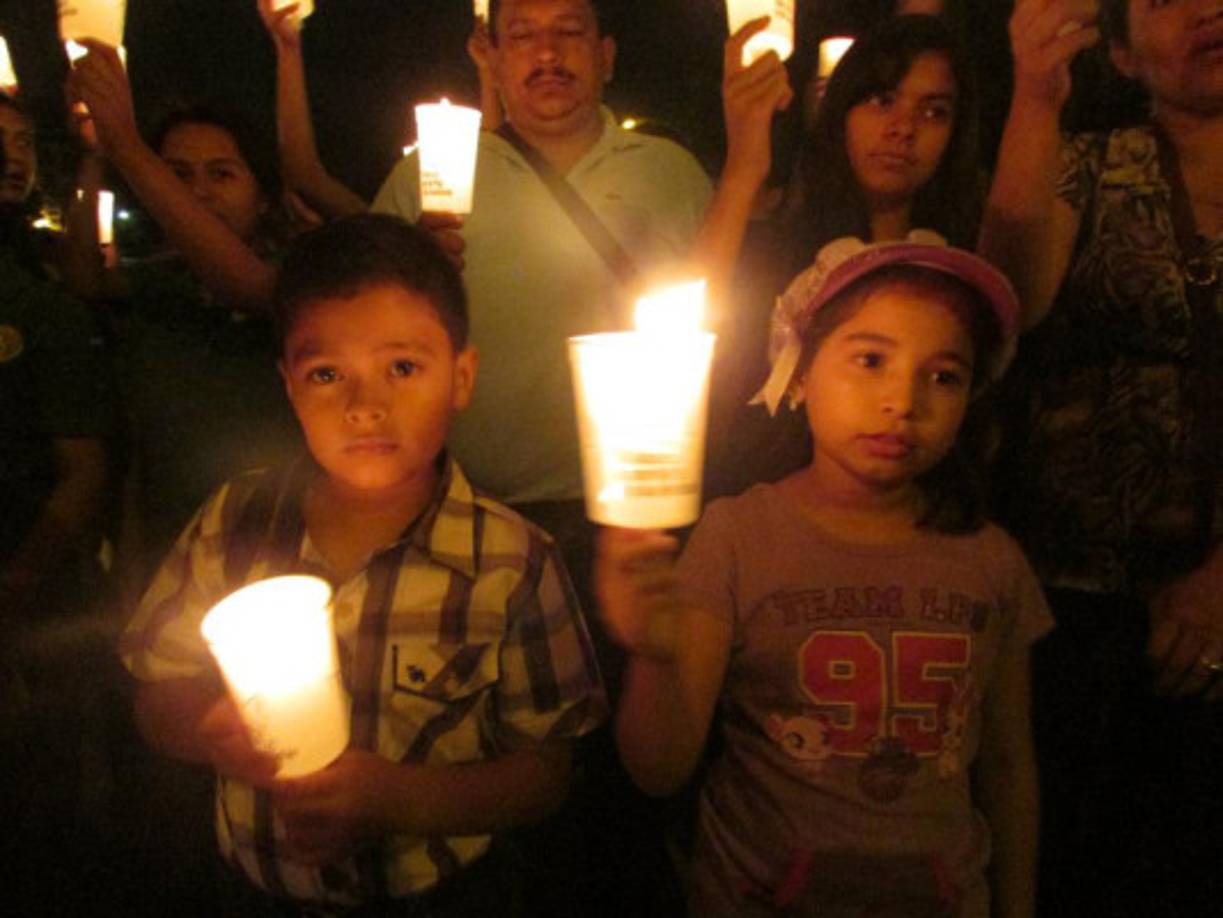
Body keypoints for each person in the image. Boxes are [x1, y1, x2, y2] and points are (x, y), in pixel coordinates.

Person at [118, 214, 605, 916]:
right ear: (288, 385)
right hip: (256, 889)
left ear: (461, 377)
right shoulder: (233, 522)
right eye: (326, 374)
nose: (364, 406)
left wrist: (396, 798)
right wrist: (207, 729)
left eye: (402, 368)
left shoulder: (512, 561)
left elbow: (545, 772)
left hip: (439, 893)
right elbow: (153, 694)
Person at [598, 236, 1048, 917]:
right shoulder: (738, 537)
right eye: (869, 360)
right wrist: (652, 650)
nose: (902, 399)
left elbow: (1009, 768)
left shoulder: (991, 560)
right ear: (798, 373)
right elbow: (658, 769)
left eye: (944, 375)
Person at [978, 0, 1223, 914]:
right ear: (1118, 51)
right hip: (1077, 601)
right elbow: (1006, 303)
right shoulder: (1087, 165)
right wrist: (1035, 97)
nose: (1206, 10)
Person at [701, 14, 982, 500]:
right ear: (841, 110)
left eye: (934, 111)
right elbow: (692, 333)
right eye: (882, 100)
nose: (903, 128)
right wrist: (743, 164)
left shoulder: (965, 263)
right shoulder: (780, 248)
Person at [66, 45, 303, 580]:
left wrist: (127, 145)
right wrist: (95, 154)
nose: (197, 193)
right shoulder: (153, 286)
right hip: (174, 568)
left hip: (283, 557)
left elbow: (246, 286)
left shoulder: (294, 280)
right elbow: (83, 278)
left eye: (221, 175)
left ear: (262, 196)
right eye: (177, 175)